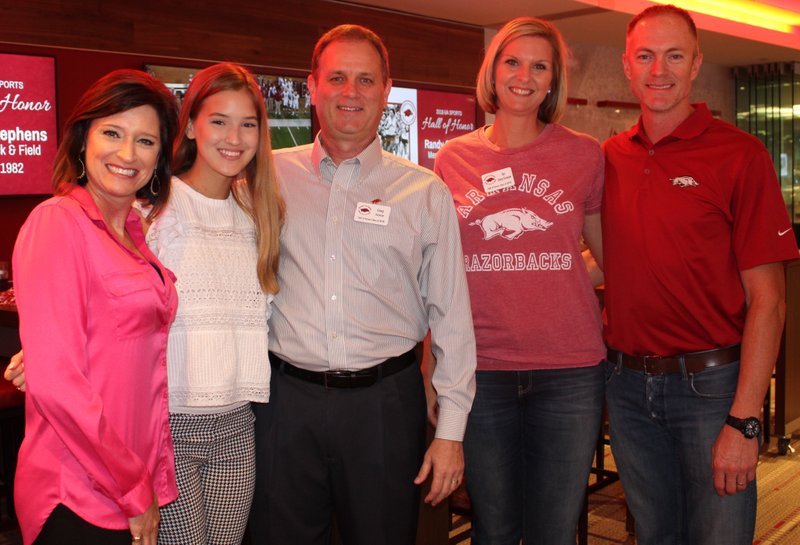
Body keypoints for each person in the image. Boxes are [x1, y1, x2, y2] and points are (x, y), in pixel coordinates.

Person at [249, 24, 477, 545]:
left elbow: (453, 321)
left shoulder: (424, 192)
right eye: (338, 78)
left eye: (366, 80)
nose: (351, 93)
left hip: (385, 407)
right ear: (312, 86)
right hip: (285, 401)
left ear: (386, 88)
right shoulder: (266, 177)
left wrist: (450, 433)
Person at [602, 5, 799, 545]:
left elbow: (770, 303)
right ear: (627, 64)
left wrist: (745, 421)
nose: (658, 69)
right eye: (645, 55)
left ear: (695, 65)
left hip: (711, 391)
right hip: (625, 386)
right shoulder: (609, 158)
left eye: (674, 56)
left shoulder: (741, 155)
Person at [432, 16, 606, 545]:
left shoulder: (584, 154)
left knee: (554, 530)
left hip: (570, 371)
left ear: (552, 80)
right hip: (481, 374)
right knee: (495, 528)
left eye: (538, 65)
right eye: (511, 61)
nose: (523, 76)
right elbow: (437, 276)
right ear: (492, 71)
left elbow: (607, 257)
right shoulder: (452, 158)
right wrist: (431, 369)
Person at [11, 70, 179, 545]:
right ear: (83, 138)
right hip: (80, 492)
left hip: (129, 480)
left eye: (145, 141)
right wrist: (132, 487)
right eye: (112, 133)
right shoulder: (57, 224)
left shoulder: (133, 230)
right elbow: (59, 382)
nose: (128, 154)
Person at [151, 63, 283, 545]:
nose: (235, 136)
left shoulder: (258, 212)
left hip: (236, 426)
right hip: (169, 427)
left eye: (247, 123)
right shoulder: (156, 208)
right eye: (219, 120)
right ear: (190, 125)